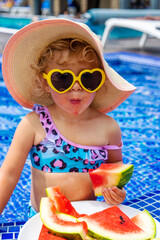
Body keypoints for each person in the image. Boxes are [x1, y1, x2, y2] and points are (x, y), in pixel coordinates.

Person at [0, 19, 136, 218]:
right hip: (41, 219)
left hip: (87, 220)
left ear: (100, 81)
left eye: (88, 77)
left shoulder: (109, 128)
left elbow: (115, 174)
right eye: (63, 78)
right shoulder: (33, 125)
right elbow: (8, 175)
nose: (76, 87)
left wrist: (116, 193)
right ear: (45, 83)